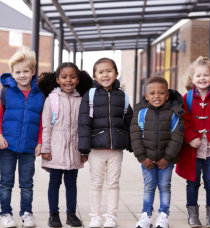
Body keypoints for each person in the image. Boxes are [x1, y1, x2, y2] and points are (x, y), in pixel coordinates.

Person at [78, 57, 133, 228]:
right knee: (96, 183)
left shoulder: (122, 95)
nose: (105, 75)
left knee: (113, 183)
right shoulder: (90, 95)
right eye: (100, 72)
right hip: (96, 148)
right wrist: (84, 149)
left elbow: (129, 120)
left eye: (109, 71)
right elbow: (84, 121)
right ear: (95, 76)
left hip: (116, 147)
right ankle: (95, 216)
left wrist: (131, 144)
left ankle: (111, 216)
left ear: (116, 73)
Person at [38, 62, 93, 227]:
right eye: (64, 77)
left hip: (74, 150)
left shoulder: (81, 100)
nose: (68, 80)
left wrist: (84, 151)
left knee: (71, 184)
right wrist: (46, 149)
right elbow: (47, 126)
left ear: (77, 79)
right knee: (54, 183)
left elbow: (84, 128)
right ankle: (53, 214)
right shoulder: (51, 100)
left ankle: (71, 214)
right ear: (57, 79)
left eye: (72, 76)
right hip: (55, 149)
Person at [176, 56, 210, 228]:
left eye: (206, 75)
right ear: (192, 79)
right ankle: (193, 215)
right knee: (192, 182)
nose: (202, 79)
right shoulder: (187, 98)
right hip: (193, 148)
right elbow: (183, 120)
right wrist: (190, 138)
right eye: (198, 76)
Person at [130, 76, 184, 228]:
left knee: (165, 186)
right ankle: (146, 214)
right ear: (146, 96)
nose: (156, 96)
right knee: (148, 186)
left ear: (167, 95)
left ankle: (163, 215)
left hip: (166, 161)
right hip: (147, 160)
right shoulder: (141, 113)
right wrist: (142, 158)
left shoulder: (174, 114)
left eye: (161, 93)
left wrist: (167, 158)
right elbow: (135, 136)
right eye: (152, 93)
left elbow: (177, 138)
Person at [0, 46, 44, 228]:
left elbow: (42, 120)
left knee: (26, 183)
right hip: (7, 145)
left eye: (26, 71)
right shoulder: (6, 92)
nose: (22, 75)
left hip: (28, 146)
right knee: (6, 182)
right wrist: (0, 134)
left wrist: (40, 142)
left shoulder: (39, 95)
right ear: (12, 73)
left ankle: (26, 212)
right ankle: (5, 213)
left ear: (33, 71)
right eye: (18, 72)